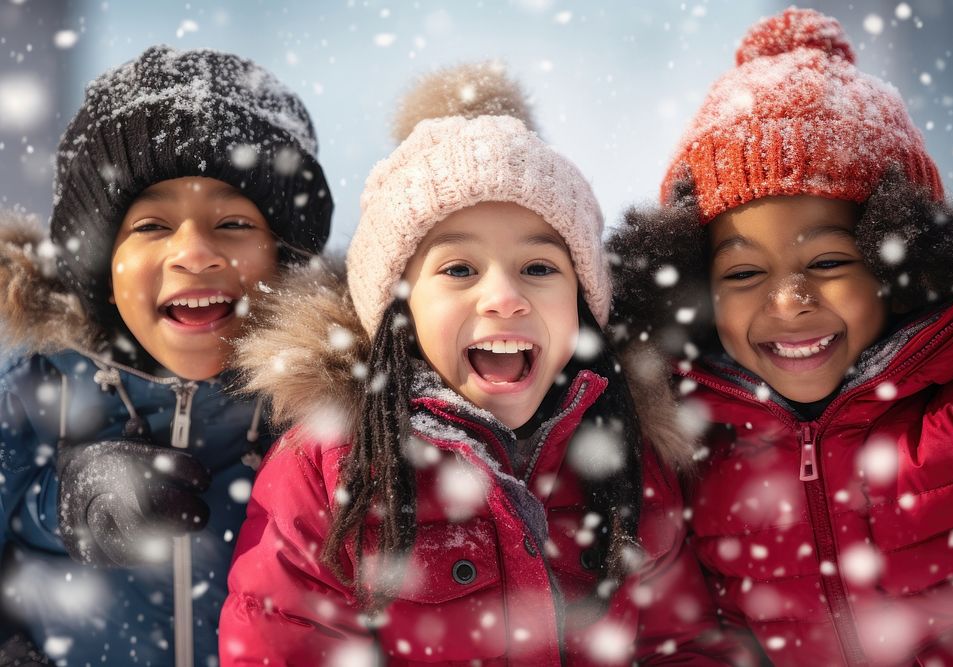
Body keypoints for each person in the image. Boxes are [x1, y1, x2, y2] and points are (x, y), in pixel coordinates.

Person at [219, 63, 748, 665]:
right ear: (400, 311)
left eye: (540, 268)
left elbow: (679, 643)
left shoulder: (627, 454)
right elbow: (282, 645)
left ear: (581, 302)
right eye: (459, 270)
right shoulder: (330, 467)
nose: (504, 296)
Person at [607, 7, 953, 666]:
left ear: (900, 263)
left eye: (828, 261)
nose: (788, 300)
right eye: (744, 272)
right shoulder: (681, 446)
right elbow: (683, 639)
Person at [0, 46, 332, 667]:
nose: (195, 253)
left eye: (233, 224)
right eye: (151, 226)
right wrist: (61, 504)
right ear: (97, 264)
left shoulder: (326, 408)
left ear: (286, 257)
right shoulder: (34, 385)